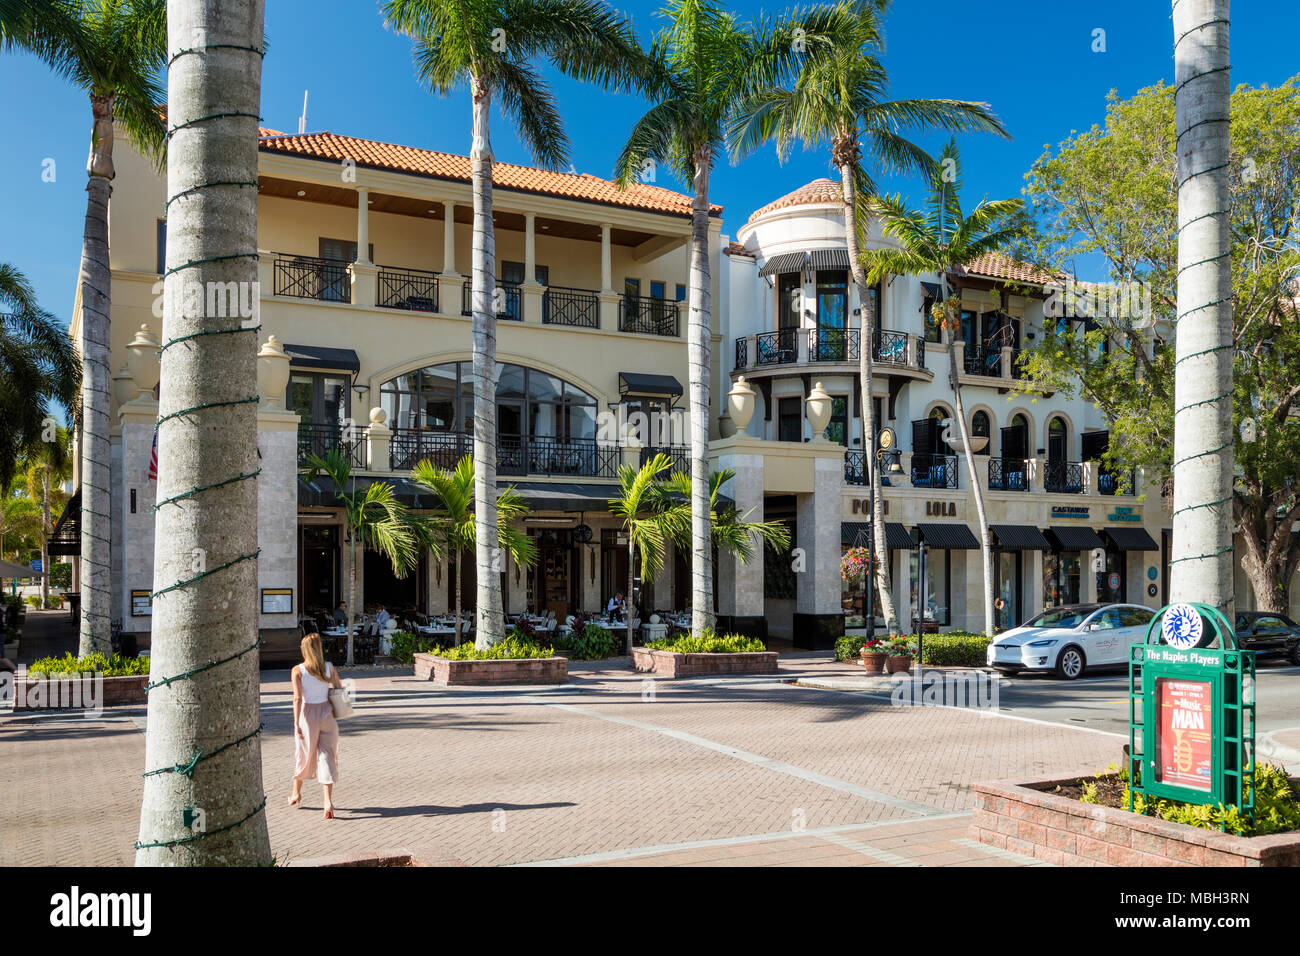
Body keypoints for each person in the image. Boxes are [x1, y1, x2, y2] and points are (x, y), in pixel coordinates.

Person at [289, 633, 343, 819]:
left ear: (304, 650)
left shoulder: (298, 670)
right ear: (319, 648)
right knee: (327, 757)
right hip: (327, 713)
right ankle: (327, 802)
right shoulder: (329, 668)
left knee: (304, 754)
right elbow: (338, 689)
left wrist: (296, 723)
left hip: (307, 715)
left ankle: (296, 794)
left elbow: (297, 698)